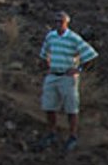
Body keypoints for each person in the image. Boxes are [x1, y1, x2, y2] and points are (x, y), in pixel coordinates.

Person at [39, 10, 99, 151]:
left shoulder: (73, 38)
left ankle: (72, 136)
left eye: (61, 21)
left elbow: (90, 55)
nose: (58, 24)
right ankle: (51, 133)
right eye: (56, 21)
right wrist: (47, 66)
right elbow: (43, 53)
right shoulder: (51, 36)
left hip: (67, 77)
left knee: (71, 108)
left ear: (67, 23)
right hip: (53, 74)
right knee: (49, 106)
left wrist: (78, 70)